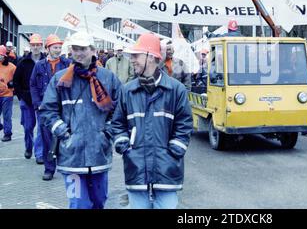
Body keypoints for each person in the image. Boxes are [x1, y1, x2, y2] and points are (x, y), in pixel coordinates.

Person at [39, 31, 122, 209]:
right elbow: (47, 110)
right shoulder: (60, 79)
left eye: (83, 48)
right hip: (71, 157)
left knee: (99, 202)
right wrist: (63, 133)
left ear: (93, 50)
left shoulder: (108, 78)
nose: (78, 53)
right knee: (78, 204)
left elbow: (121, 110)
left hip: (99, 154)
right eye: (75, 49)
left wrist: (107, 132)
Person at [111, 32, 193, 209]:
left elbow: (185, 124)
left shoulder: (176, 90)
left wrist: (174, 151)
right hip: (136, 168)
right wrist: (125, 147)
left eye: (135, 55)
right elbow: (117, 123)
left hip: (167, 170)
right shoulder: (127, 91)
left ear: (151, 56)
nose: (131, 60)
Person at [30, 34, 71, 181]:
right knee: (47, 139)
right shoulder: (39, 65)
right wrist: (37, 104)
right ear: (48, 48)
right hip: (45, 108)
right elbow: (33, 85)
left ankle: (66, 165)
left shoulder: (67, 64)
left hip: (63, 107)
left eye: (60, 47)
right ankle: (49, 169)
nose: (58, 50)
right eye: (55, 47)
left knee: (65, 136)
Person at [13, 34, 46, 162]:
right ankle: (28, 147)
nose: (36, 47)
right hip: (26, 100)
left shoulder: (46, 61)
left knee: (41, 127)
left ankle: (39, 154)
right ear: (30, 46)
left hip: (41, 100)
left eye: (38, 45)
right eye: (34, 45)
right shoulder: (23, 62)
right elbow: (16, 81)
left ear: (41, 46)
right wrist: (21, 96)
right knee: (28, 127)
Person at [0, 45, 16, 142]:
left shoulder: (12, 67)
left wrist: (12, 85)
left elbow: (18, 79)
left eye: (1, 55)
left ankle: (7, 133)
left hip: (7, 95)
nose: (0, 57)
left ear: (5, 55)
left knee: (7, 115)